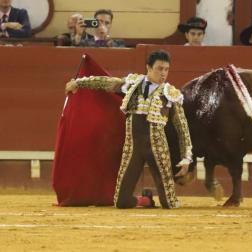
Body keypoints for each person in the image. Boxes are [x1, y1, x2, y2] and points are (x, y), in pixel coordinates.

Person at [65, 50, 193, 209]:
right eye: (159, 68)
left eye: (166, 69)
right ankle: (146, 201)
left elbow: (182, 127)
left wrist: (186, 157)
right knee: (121, 202)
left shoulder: (171, 94)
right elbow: (106, 82)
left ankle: (162, 200)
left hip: (158, 148)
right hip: (132, 147)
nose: (163, 73)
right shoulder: (133, 84)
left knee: (170, 203)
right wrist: (79, 82)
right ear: (148, 67)